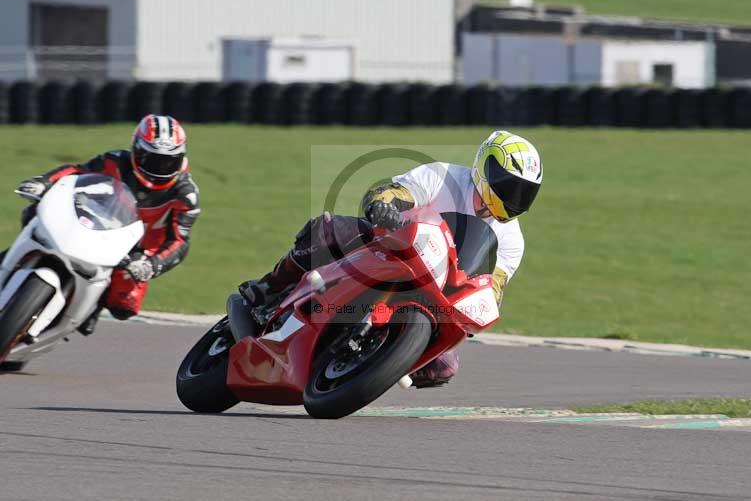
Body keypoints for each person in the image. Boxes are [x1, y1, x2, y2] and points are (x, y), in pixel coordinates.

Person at [239, 130, 542, 387]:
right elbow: (396, 191)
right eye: (508, 185)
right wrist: (384, 205)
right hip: (389, 249)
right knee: (327, 231)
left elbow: (493, 286)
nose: (513, 197)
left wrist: (482, 307)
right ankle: (268, 289)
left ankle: (374, 365)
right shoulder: (443, 176)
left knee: (443, 367)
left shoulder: (512, 240)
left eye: (524, 192)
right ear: (485, 168)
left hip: (435, 297)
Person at [8, 114, 201, 335]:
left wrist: (152, 264)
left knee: (124, 306)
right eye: (152, 159)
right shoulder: (115, 161)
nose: (161, 168)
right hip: (97, 223)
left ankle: (89, 308)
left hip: (136, 252)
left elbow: (179, 240)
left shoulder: (186, 195)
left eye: (170, 161)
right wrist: (43, 183)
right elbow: (77, 172)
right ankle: (11, 261)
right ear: (136, 150)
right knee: (34, 213)